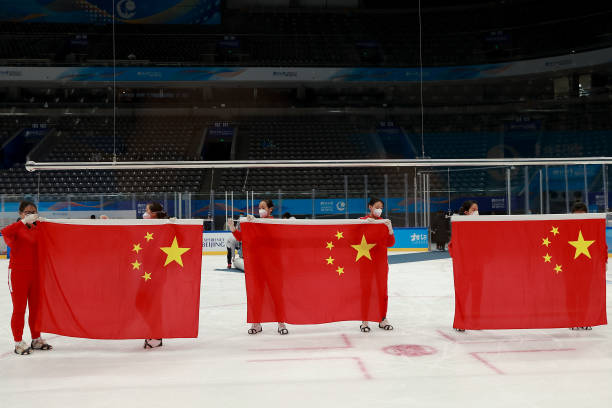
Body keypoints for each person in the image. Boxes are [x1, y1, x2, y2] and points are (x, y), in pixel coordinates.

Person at [228, 199, 289, 335]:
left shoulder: (274, 222)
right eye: (259, 207)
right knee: (257, 295)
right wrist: (233, 229)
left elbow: (274, 236)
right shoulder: (255, 223)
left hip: (273, 267)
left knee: (276, 295)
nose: (260, 209)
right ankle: (256, 323)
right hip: (258, 267)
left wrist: (255, 223)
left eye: (263, 207)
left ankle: (281, 322)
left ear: (270, 209)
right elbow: (243, 237)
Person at [1, 201, 53, 355]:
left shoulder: (39, 229)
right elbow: (4, 232)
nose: (30, 215)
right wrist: (23, 222)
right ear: (21, 213)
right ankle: (18, 342)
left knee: (36, 309)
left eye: (33, 212)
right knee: (19, 309)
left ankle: (36, 339)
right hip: (18, 274)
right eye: (27, 212)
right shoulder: (16, 229)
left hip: (36, 274)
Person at [358, 197, 395, 333]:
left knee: (382, 292)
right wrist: (362, 224)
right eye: (377, 207)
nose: (379, 210)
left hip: (380, 263)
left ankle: (382, 318)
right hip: (365, 263)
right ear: (370, 207)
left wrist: (390, 230)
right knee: (366, 291)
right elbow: (351, 238)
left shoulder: (384, 223)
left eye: (381, 208)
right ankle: (365, 320)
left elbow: (391, 243)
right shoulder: (361, 221)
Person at [142, 202, 168, 349]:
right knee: (142, 302)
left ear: (153, 213)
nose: (144, 213)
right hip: (147, 272)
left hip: (157, 272)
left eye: (147, 211)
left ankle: (157, 336)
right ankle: (153, 331)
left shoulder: (163, 227)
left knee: (153, 304)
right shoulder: (147, 227)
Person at [570, 201, 591, 330]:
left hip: (587, 266)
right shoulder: (566, 226)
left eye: (582, 215)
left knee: (586, 293)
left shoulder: (593, 227)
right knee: (571, 293)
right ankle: (573, 319)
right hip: (570, 266)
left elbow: (601, 243)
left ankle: (586, 318)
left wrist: (604, 260)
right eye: (576, 216)